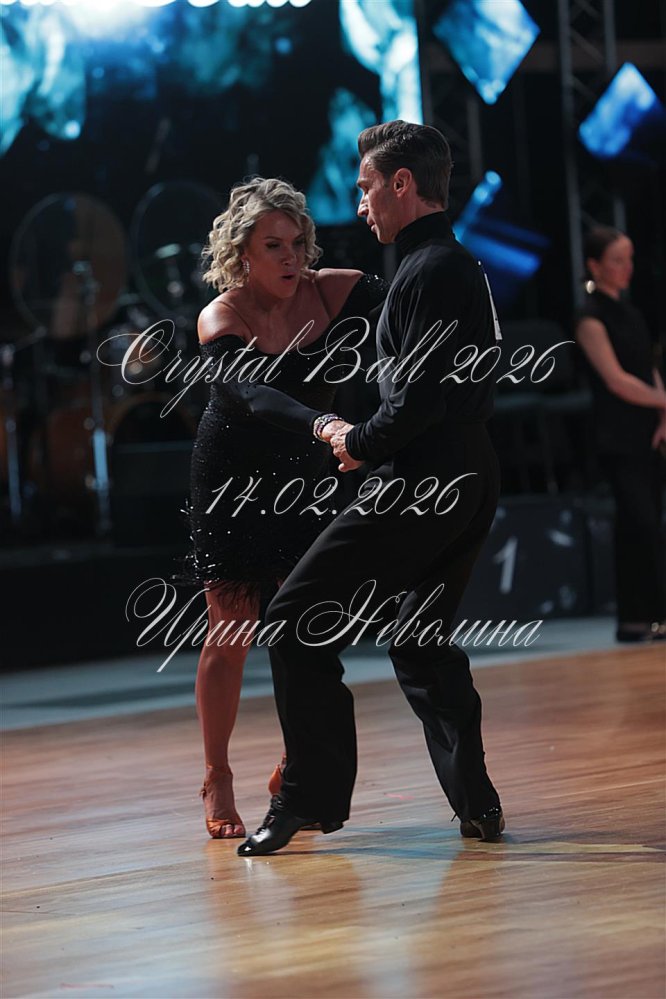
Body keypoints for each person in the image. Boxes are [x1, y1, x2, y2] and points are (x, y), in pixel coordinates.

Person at [238, 120, 505, 857]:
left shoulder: (430, 270)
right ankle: (477, 803)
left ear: (401, 184)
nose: (359, 205)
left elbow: (417, 401)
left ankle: (306, 799)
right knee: (419, 640)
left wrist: (357, 442)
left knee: (292, 618)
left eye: (366, 188)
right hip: (465, 472)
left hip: (424, 480)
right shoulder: (450, 265)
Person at [189, 177, 387, 838]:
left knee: (309, 626)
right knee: (232, 631)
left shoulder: (332, 291)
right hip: (234, 481)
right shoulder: (221, 315)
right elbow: (253, 397)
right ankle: (217, 775)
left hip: (306, 478)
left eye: (297, 242)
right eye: (273, 245)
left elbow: (415, 298)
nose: (290, 256)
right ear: (241, 252)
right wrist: (326, 424)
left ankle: (297, 768)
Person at [576, 226, 666, 643]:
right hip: (617, 432)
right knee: (637, 523)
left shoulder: (632, 312)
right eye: (617, 260)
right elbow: (616, 380)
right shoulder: (589, 317)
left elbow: (648, 371)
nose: (626, 268)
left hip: (650, 431)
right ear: (595, 265)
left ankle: (652, 617)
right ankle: (635, 617)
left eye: (629, 259)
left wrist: (663, 413)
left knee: (652, 523)